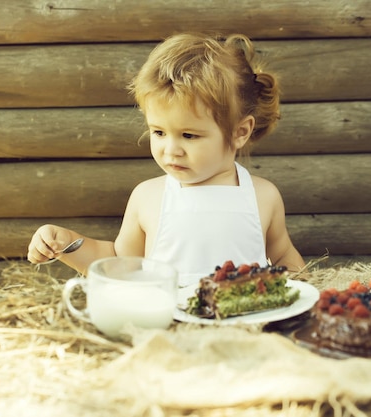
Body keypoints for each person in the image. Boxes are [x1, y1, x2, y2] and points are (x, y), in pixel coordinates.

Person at [27, 33, 305, 286]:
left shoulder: (263, 196)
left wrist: (310, 295)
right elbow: (120, 263)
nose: (171, 150)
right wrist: (66, 244)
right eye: (158, 132)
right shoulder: (148, 197)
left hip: (241, 330)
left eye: (189, 135)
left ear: (239, 132)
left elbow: (283, 257)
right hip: (168, 329)